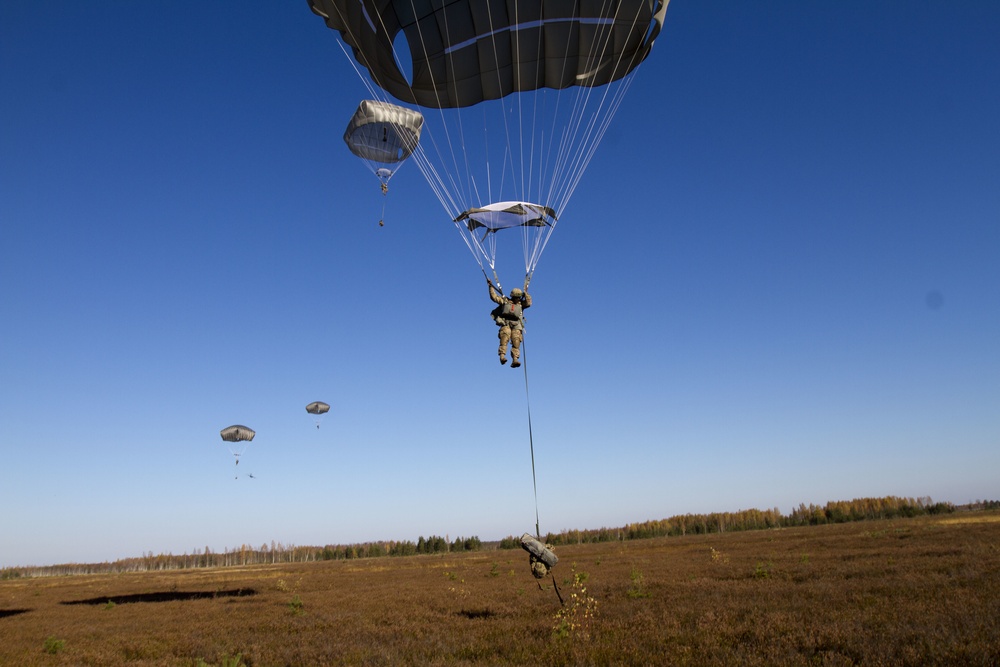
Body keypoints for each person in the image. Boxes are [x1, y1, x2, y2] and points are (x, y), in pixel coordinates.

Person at [488, 279, 531, 368]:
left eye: (519, 297)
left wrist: (526, 293)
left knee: (516, 340)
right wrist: (490, 287)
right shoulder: (505, 301)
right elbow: (494, 297)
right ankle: (502, 356)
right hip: (506, 324)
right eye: (516, 297)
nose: (518, 299)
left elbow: (529, 303)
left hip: (516, 324)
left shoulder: (521, 304)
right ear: (513, 296)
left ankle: (515, 359)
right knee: (505, 336)